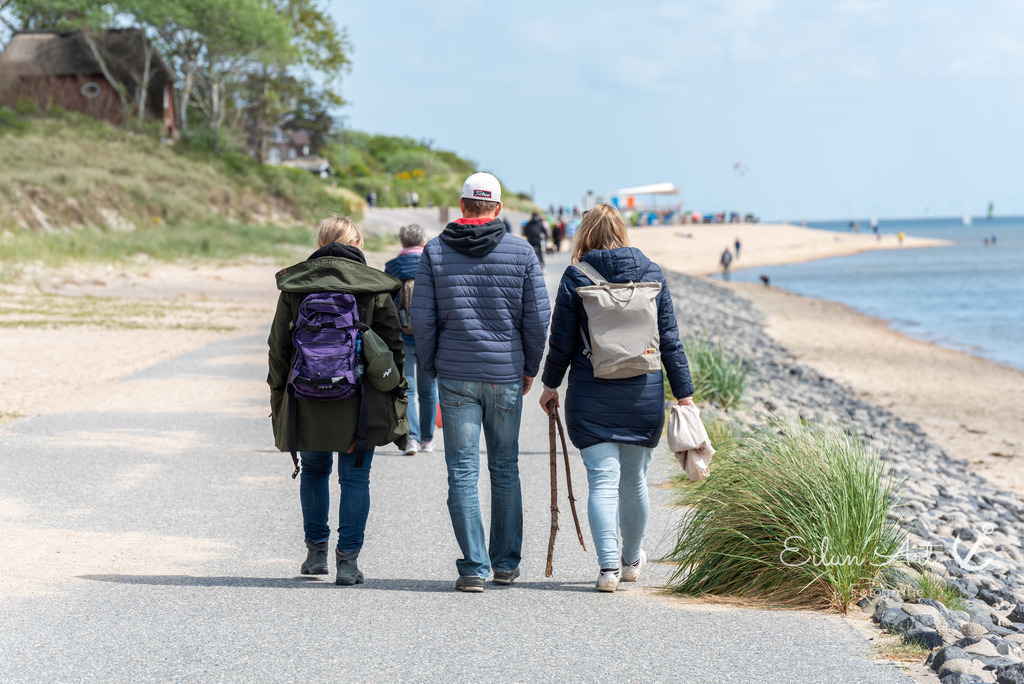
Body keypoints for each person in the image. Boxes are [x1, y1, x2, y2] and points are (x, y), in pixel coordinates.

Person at [537, 204, 694, 592]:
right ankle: (630, 560)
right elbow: (670, 342)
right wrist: (684, 395)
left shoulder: (577, 276)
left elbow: (561, 343)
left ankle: (608, 569)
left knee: (602, 482)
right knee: (635, 480)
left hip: (591, 391)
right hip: (644, 391)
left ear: (584, 235)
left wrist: (550, 385)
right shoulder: (652, 274)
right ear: (623, 233)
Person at [411, 172, 550, 592]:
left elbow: (422, 317)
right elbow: (538, 318)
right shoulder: (522, 251)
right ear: (498, 209)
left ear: (462, 204)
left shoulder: (435, 252)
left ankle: (474, 567)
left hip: (455, 373)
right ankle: (505, 563)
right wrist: (529, 367)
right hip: (505, 374)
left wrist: (434, 363)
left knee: (463, 471)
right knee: (505, 467)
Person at [268, 216, 408, 586]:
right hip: (358, 400)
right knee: (355, 478)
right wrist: (397, 393)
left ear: (321, 241)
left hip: (306, 396)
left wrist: (279, 394)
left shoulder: (296, 283)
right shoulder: (374, 285)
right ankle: (347, 562)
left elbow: (278, 347)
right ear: (357, 243)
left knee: (313, 471)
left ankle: (316, 556)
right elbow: (393, 347)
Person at [385, 224, 437, 456]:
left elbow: (385, 307)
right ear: (423, 242)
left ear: (402, 242)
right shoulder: (433, 264)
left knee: (408, 390)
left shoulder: (392, 268)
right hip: (429, 338)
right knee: (429, 390)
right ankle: (428, 439)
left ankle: (412, 439)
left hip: (402, 338)